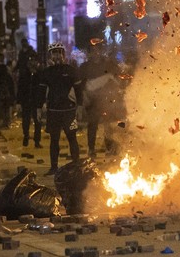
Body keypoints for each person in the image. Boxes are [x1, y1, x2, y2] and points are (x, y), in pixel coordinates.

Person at [37, 42, 83, 175]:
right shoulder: (46, 73)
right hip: (53, 112)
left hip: (69, 111)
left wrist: (79, 107)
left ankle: (76, 165)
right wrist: (39, 108)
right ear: (50, 55)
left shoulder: (71, 70)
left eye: (59, 53)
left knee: (72, 138)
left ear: (64, 54)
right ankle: (53, 167)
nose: (57, 56)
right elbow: (41, 92)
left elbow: (78, 90)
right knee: (54, 139)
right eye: (54, 53)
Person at [80, 49, 122, 157]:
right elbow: (80, 84)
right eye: (93, 50)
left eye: (98, 49)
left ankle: (109, 148)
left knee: (108, 125)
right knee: (92, 125)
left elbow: (116, 77)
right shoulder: (85, 67)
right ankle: (91, 149)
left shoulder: (107, 64)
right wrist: (84, 98)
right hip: (93, 102)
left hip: (106, 100)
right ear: (89, 53)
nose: (96, 52)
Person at [16, 58, 42, 148]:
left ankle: (37, 140)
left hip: (36, 102)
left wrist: (42, 102)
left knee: (37, 121)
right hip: (26, 101)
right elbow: (20, 89)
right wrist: (18, 102)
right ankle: (26, 136)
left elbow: (41, 90)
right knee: (26, 121)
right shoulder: (24, 75)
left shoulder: (39, 75)